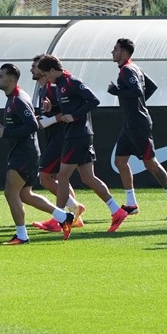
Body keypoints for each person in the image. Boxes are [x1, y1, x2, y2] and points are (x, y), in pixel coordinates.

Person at [36, 54, 127, 237]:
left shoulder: (72, 82)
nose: (45, 78)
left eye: (46, 74)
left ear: (53, 70)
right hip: (76, 135)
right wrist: (50, 109)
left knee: (62, 177)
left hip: (78, 136)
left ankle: (58, 218)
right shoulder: (59, 85)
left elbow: (94, 100)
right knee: (88, 178)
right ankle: (117, 211)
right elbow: (68, 108)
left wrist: (75, 116)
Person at [0, 63, 70, 245]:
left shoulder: (18, 99)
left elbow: (32, 125)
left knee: (10, 193)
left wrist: (7, 132)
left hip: (24, 154)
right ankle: (64, 216)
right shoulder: (14, 97)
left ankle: (22, 235)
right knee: (25, 195)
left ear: (11, 80)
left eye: (1, 76)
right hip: (25, 153)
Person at [107, 38, 167, 219]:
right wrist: (137, 104)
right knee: (120, 162)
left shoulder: (127, 70)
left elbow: (137, 91)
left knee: (150, 163)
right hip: (130, 125)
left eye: (115, 49)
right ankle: (131, 203)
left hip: (138, 125)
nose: (112, 52)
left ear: (124, 53)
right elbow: (151, 87)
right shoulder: (135, 68)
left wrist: (117, 92)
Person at [29, 55, 85, 233]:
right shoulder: (44, 87)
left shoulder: (54, 86)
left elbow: (64, 113)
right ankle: (75, 214)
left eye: (35, 67)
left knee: (45, 177)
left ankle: (73, 208)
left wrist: (48, 120)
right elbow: (54, 111)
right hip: (53, 137)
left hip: (60, 137)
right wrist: (44, 115)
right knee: (60, 178)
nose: (32, 70)